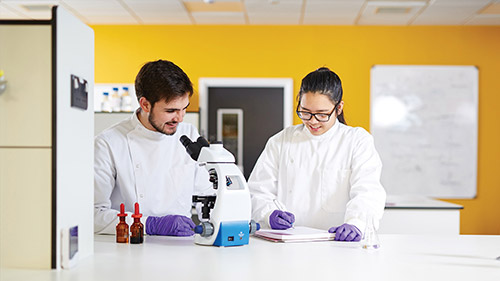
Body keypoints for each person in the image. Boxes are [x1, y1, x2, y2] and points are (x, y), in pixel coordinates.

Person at [248, 67, 386, 242]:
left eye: (322, 114)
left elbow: (368, 191)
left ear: (339, 108)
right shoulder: (281, 141)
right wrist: (268, 213)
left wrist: (356, 223)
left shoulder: (357, 141)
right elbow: (257, 191)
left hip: (338, 245)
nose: (312, 121)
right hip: (286, 246)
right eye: (305, 112)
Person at [94, 60, 212, 236]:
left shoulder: (189, 134)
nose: (179, 118)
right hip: (128, 249)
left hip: (182, 249)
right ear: (145, 104)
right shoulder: (109, 143)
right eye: (171, 111)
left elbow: (207, 194)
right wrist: (149, 224)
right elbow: (94, 215)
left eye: (184, 108)